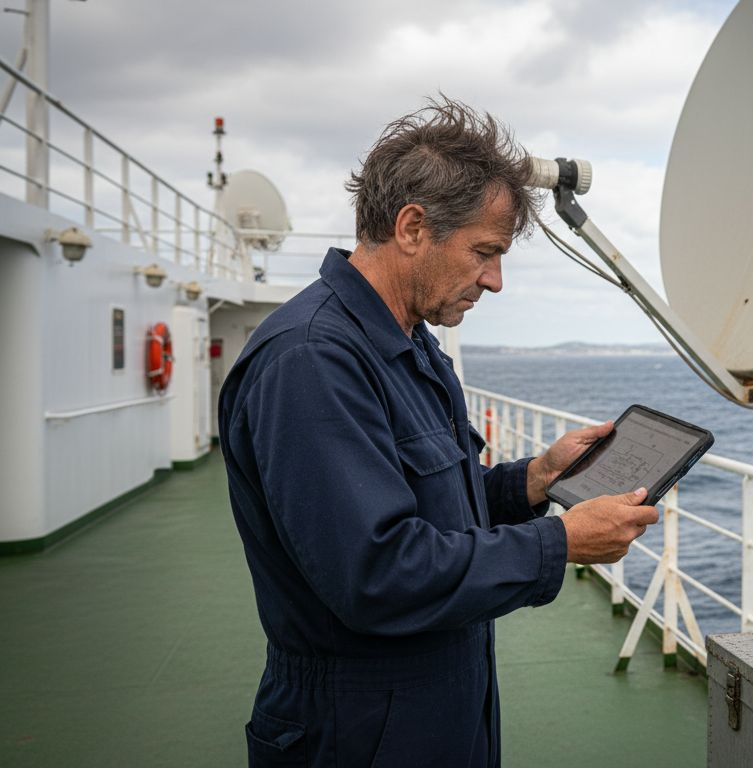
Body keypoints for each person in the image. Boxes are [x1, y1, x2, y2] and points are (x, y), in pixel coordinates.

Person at [218, 98, 659, 768]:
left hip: (434, 706)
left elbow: (429, 502)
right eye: (485, 252)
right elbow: (376, 574)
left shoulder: (408, 339)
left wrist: (533, 481)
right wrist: (560, 542)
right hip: (357, 726)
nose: (495, 281)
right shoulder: (312, 361)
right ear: (413, 227)